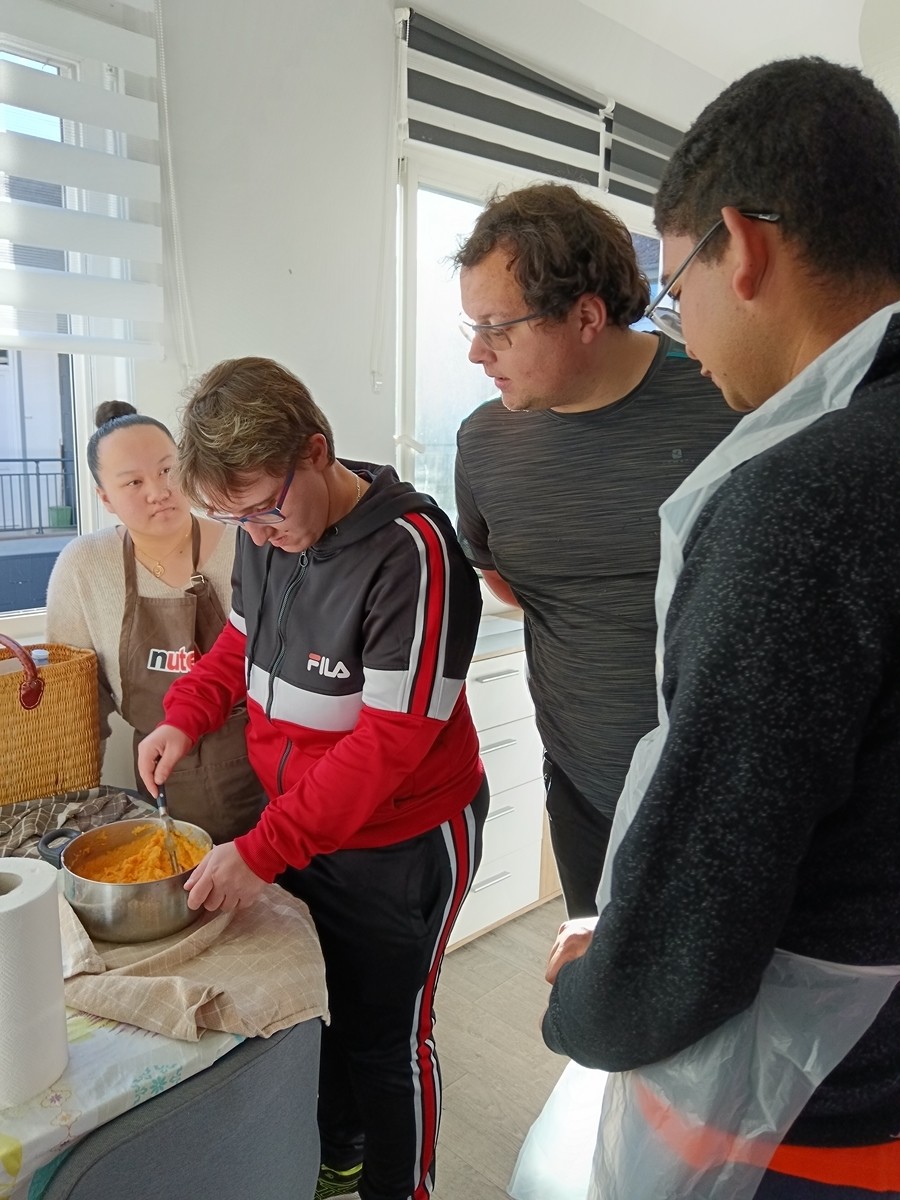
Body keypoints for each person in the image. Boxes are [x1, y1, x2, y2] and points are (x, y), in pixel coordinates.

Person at [542, 58, 900, 1199]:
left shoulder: (804, 499)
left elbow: (708, 893)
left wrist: (589, 1002)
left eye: (676, 283)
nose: (680, 325)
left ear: (741, 246)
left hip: (836, 1092)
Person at [135, 357, 488, 1200]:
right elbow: (239, 647)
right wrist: (185, 714)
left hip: (404, 841)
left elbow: (388, 745)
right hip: (304, 823)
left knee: (387, 1040)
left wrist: (261, 850)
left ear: (318, 451)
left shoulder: (417, 554)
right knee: (322, 1015)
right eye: (231, 519)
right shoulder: (265, 539)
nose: (253, 533)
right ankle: (342, 1158)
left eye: (262, 508)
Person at [454, 181, 740, 917]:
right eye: (471, 328)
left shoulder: (727, 403)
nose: (479, 354)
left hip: (728, 804)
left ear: (585, 315)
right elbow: (511, 581)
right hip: (585, 798)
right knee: (599, 1014)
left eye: (499, 328)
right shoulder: (485, 442)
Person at [45, 401, 265, 842]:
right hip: (161, 775)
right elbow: (78, 699)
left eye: (168, 470)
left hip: (263, 768)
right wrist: (77, 798)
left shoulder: (252, 542)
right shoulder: (85, 566)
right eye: (134, 482)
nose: (159, 491)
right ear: (105, 497)